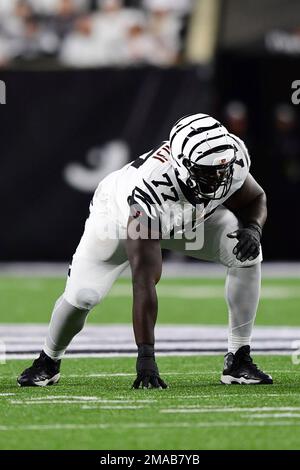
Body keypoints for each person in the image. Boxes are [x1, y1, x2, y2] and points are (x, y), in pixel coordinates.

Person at [18, 113, 273, 388]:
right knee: (84, 295)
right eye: (209, 172)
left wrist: (253, 230)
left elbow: (255, 197)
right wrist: (146, 359)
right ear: (183, 166)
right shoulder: (148, 191)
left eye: (222, 169)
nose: (220, 178)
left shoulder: (229, 160)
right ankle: (48, 359)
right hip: (117, 221)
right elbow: (143, 279)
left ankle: (238, 359)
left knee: (244, 252)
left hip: (187, 217)